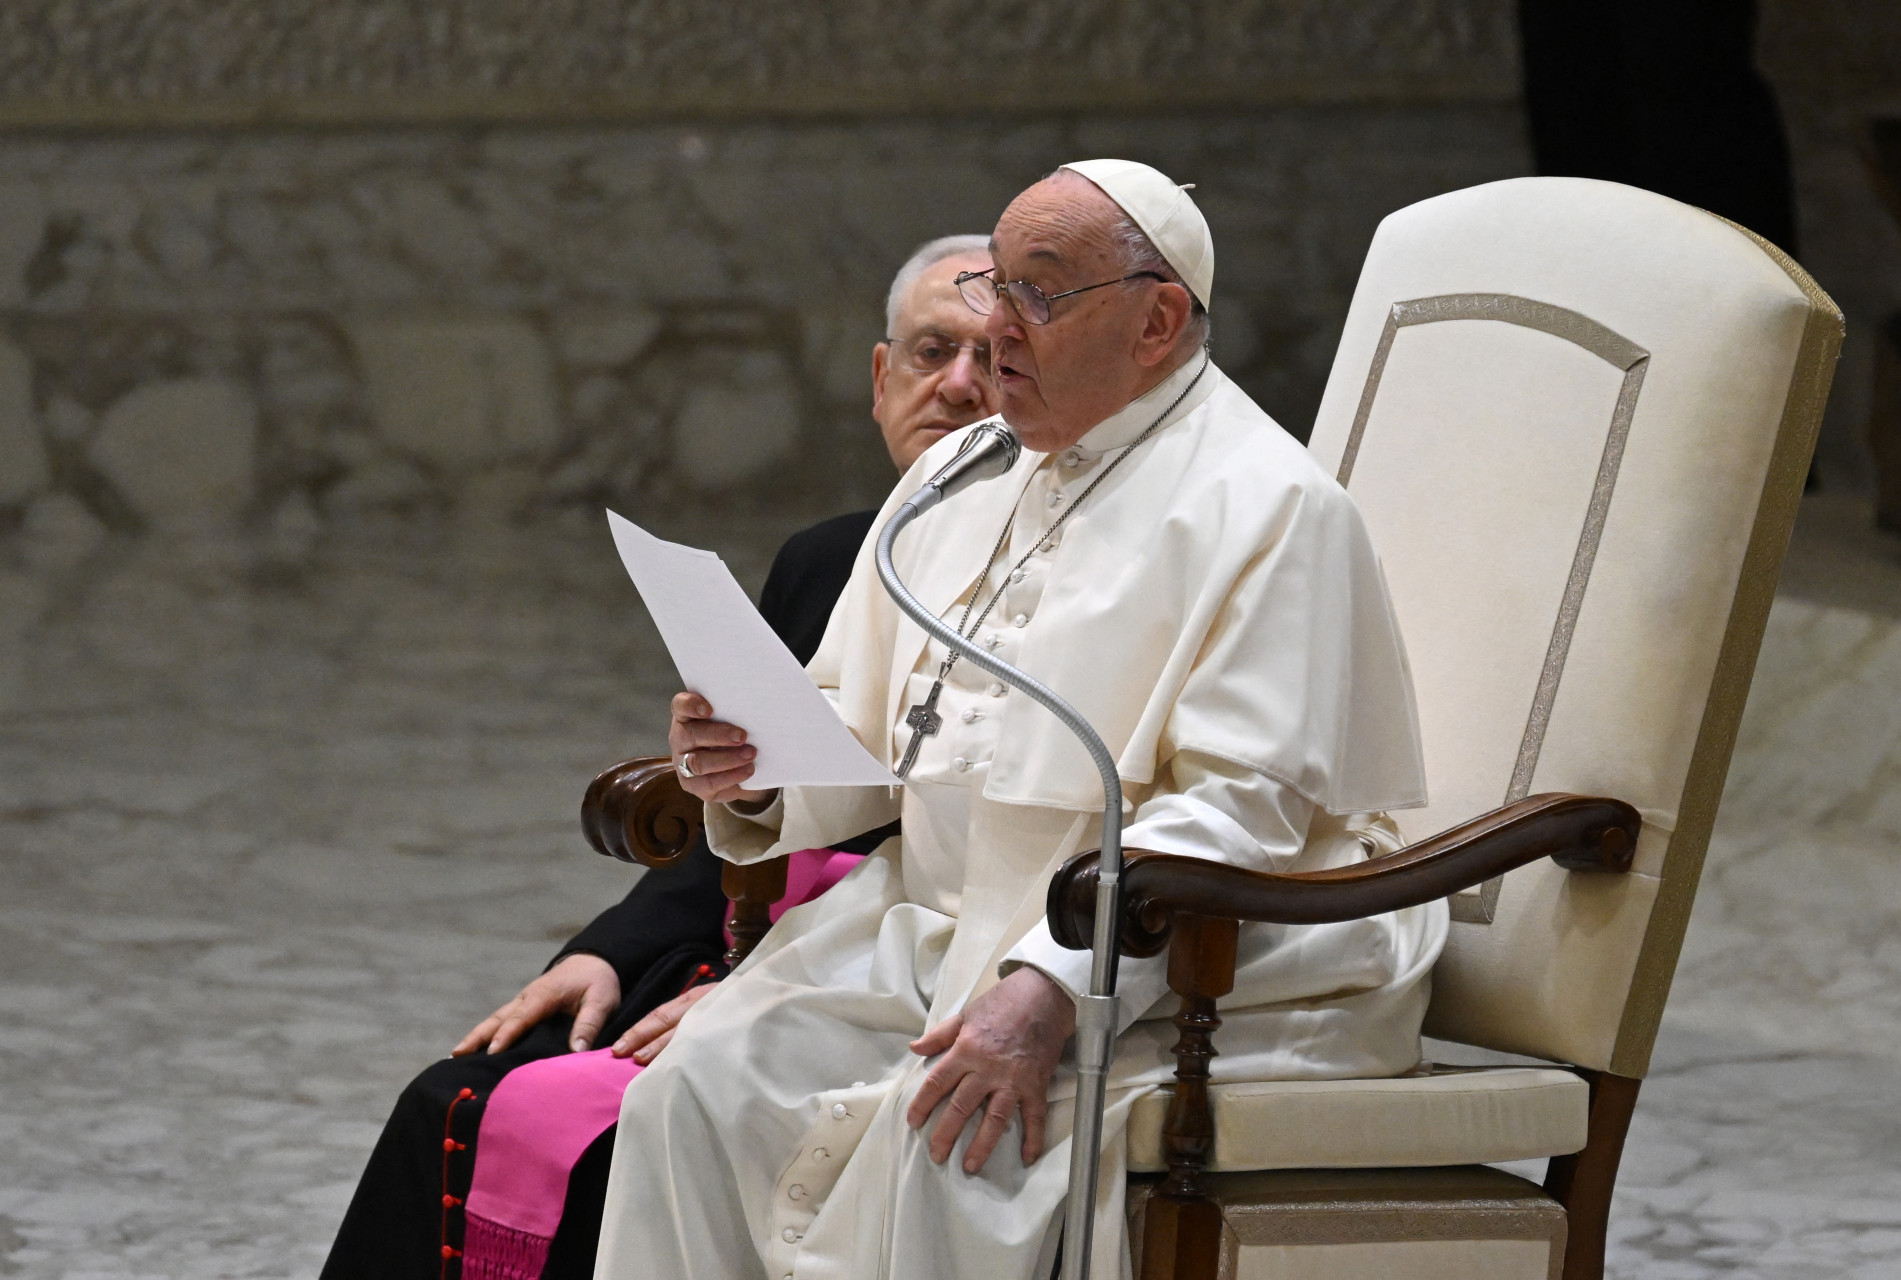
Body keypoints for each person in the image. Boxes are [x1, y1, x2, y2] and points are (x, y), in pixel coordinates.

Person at [594, 160, 1446, 1280]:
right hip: (937, 924)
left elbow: (1242, 809)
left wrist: (1049, 986)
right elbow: (867, 726)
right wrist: (756, 770)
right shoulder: (957, 472)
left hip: (1183, 956)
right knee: (694, 1089)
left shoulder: (1272, 508)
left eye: (1037, 294)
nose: (997, 326)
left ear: (1157, 321)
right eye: (995, 285)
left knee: (953, 1152)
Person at [319, 233, 998, 1279]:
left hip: (883, 973)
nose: (956, 386)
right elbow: (745, 812)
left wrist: (764, 992)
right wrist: (609, 951)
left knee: (615, 1148)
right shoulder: (827, 558)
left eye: (993, 358)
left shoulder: (1060, 588)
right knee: (448, 1102)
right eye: (931, 351)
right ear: (879, 378)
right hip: (747, 928)